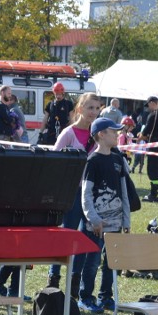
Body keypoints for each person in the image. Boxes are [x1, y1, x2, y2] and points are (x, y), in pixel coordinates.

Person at [43, 92, 101, 297]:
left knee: (86, 239)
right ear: (79, 109)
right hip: (71, 193)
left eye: (97, 108)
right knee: (66, 236)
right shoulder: (69, 133)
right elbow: (53, 161)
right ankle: (54, 279)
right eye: (90, 108)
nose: (93, 112)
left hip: (91, 195)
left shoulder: (99, 134)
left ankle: (74, 287)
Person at [78, 117, 132, 313]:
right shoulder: (92, 161)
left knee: (112, 262)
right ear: (101, 134)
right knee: (92, 262)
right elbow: (86, 194)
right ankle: (85, 297)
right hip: (96, 225)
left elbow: (124, 192)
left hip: (116, 223)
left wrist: (126, 219)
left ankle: (106, 297)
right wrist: (93, 219)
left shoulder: (119, 160)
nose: (118, 134)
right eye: (113, 131)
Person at [139, 96, 158, 202]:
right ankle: (156, 194)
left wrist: (140, 136)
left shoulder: (153, 115)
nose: (148, 108)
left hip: (154, 146)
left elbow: (146, 131)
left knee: (152, 171)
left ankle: (153, 195)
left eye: (148, 105)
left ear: (152, 103)